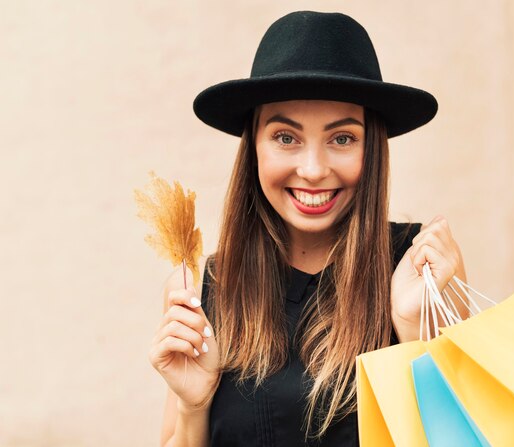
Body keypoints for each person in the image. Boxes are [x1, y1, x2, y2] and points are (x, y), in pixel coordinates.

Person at [149, 10, 467, 447]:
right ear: (254, 146)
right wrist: (193, 405)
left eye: (342, 138)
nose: (314, 170)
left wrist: (417, 333)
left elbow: (467, 434)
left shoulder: (419, 271)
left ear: (370, 147)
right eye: (286, 137)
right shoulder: (210, 286)